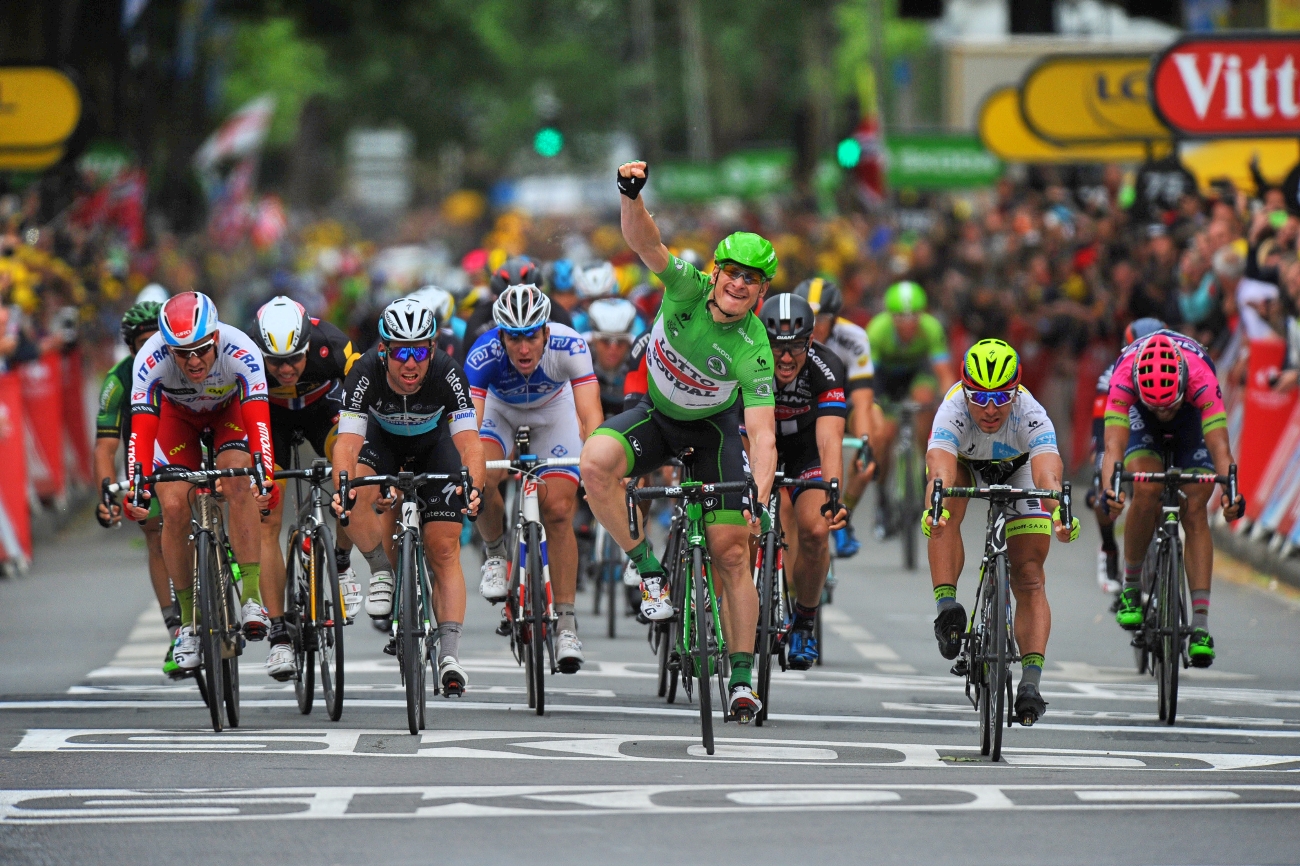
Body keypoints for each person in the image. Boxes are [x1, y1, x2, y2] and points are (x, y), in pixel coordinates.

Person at [580, 160, 778, 721]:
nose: (739, 284)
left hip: (712, 434)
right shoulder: (686, 286)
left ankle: (742, 680)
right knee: (595, 462)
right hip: (656, 416)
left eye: (752, 279)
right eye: (733, 272)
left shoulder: (753, 345)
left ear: (761, 291)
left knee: (732, 552)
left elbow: (761, 435)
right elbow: (645, 241)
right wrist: (630, 195)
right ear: (715, 272)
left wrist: (758, 500)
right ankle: (647, 569)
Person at [331, 297, 485, 696]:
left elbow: (469, 443)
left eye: (420, 350)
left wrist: (475, 485)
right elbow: (347, 443)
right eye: (401, 351)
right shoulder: (364, 371)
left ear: (432, 348)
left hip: (435, 448)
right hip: (383, 445)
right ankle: (381, 569)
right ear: (384, 350)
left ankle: (449, 655)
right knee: (355, 490)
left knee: (443, 549)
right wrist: (342, 485)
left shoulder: (448, 373)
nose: (411, 363)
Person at [923, 339, 1078, 726]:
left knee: (1028, 575)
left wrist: (1059, 510)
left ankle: (1030, 680)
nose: (990, 410)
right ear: (965, 390)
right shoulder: (953, 408)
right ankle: (947, 608)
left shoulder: (1031, 413)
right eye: (979, 398)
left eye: (1001, 398)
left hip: (1019, 470)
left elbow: (1047, 473)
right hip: (965, 466)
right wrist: (933, 506)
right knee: (944, 510)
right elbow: (939, 466)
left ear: (1016, 392)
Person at [123, 292, 275, 673]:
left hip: (229, 413)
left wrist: (265, 474)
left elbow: (258, 422)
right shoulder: (150, 360)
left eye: (202, 350)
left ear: (217, 340)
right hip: (177, 421)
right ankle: (188, 624)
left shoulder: (242, 350)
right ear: (167, 348)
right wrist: (136, 484)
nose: (192, 360)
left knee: (240, 481)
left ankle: (253, 597)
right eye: (181, 353)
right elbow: (141, 431)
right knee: (172, 507)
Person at [466, 284, 604, 673]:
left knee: (559, 509)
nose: (523, 349)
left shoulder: (571, 346)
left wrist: (595, 461)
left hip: (552, 414)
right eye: (513, 338)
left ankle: (565, 622)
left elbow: (591, 415)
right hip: (500, 412)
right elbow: (469, 430)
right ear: (501, 336)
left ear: (546, 331)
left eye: (531, 337)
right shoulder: (483, 355)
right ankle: (495, 553)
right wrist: (473, 468)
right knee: (481, 475)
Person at [1102, 331, 1245, 667]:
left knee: (1195, 509)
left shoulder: (1201, 378)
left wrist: (1231, 494)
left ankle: (1200, 627)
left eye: (1169, 404)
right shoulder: (1123, 376)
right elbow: (1113, 448)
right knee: (1146, 489)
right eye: (1158, 406)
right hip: (1141, 422)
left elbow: (1221, 448)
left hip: (1191, 421)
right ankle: (1132, 589)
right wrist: (1113, 489)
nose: (1164, 412)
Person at [250, 296, 363, 681]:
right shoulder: (247, 351)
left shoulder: (331, 341)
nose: (285, 369)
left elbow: (368, 386)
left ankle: (342, 562)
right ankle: (280, 634)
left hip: (323, 411)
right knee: (267, 517)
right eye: (275, 362)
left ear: (308, 345)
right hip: (270, 419)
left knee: (351, 475)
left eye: (294, 359)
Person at [758, 293, 849, 669]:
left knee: (814, 530)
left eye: (795, 346)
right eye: (776, 345)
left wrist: (833, 495)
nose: (785, 356)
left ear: (810, 341)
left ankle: (804, 624)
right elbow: (741, 434)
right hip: (758, 444)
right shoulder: (747, 363)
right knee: (739, 524)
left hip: (806, 452)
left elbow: (830, 441)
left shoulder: (827, 367)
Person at [95, 300, 179, 675]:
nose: (149, 349)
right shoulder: (118, 380)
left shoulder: (184, 363)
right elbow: (106, 446)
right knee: (154, 531)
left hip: (186, 443)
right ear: (130, 347)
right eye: (142, 342)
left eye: (156, 340)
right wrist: (106, 493)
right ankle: (176, 629)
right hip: (143, 452)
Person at [794, 277, 876, 557]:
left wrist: (866, 443)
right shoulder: (785, 331)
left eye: (822, 318)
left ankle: (843, 516)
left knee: (874, 425)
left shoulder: (853, 338)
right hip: (801, 406)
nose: (815, 325)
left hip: (842, 402)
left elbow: (864, 401)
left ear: (835, 318)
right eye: (810, 317)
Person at [867, 281, 956, 539]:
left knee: (925, 401)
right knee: (883, 436)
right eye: (900, 318)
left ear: (922, 314)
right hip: (885, 381)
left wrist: (949, 404)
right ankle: (882, 499)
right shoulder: (877, 330)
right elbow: (868, 378)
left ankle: (921, 466)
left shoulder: (931, 328)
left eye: (913, 317)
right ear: (890, 316)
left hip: (918, 375)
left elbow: (942, 372)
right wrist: (872, 404)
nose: (907, 324)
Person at [1089, 316, 1165, 601]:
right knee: (1105, 488)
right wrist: (1103, 473)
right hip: (1123, 423)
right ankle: (1109, 548)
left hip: (1161, 421)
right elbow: (1103, 435)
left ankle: (1160, 554)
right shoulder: (1111, 376)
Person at [585, 297, 643, 418]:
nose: (613, 348)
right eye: (606, 341)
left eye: (621, 342)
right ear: (594, 340)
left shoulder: (642, 355)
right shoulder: (579, 352)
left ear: (629, 342)